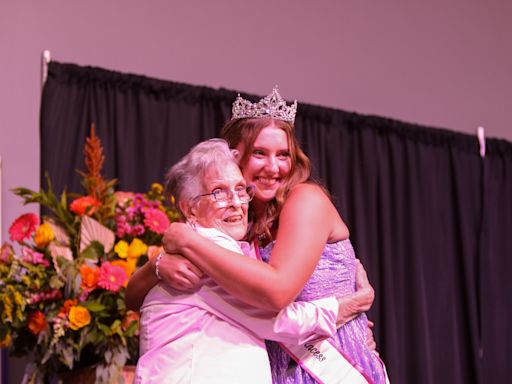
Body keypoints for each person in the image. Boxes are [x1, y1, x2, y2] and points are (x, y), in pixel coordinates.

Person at [128, 88, 386, 383]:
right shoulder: (233, 226)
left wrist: (185, 239)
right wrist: (158, 265)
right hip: (276, 369)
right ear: (233, 158)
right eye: (259, 153)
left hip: (331, 366)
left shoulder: (305, 200)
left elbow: (276, 292)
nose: (273, 167)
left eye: (283, 155)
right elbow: (134, 298)